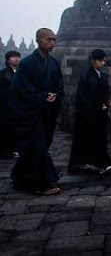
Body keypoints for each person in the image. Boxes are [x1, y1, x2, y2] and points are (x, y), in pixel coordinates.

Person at [10, 28, 64, 195]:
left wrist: (55, 96)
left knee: (38, 147)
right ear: (39, 40)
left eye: (54, 40)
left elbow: (59, 85)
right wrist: (42, 97)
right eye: (48, 40)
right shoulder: (27, 63)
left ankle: (19, 176)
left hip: (47, 113)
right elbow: (20, 89)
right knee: (37, 147)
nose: (52, 43)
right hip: (30, 113)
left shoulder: (54, 63)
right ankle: (42, 182)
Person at [68, 49, 111, 174]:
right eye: (100, 61)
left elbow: (103, 93)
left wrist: (104, 104)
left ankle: (100, 162)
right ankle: (95, 163)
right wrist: (98, 105)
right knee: (88, 138)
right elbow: (87, 96)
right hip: (88, 113)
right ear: (93, 61)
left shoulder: (100, 75)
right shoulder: (87, 75)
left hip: (98, 112)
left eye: (104, 61)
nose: (103, 63)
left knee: (98, 138)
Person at [0, 50, 20, 157]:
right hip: (5, 105)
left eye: (17, 57)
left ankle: (15, 148)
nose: (16, 59)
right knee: (6, 128)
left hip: (18, 105)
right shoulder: (3, 74)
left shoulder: (21, 73)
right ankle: (6, 150)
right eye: (13, 57)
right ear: (8, 60)